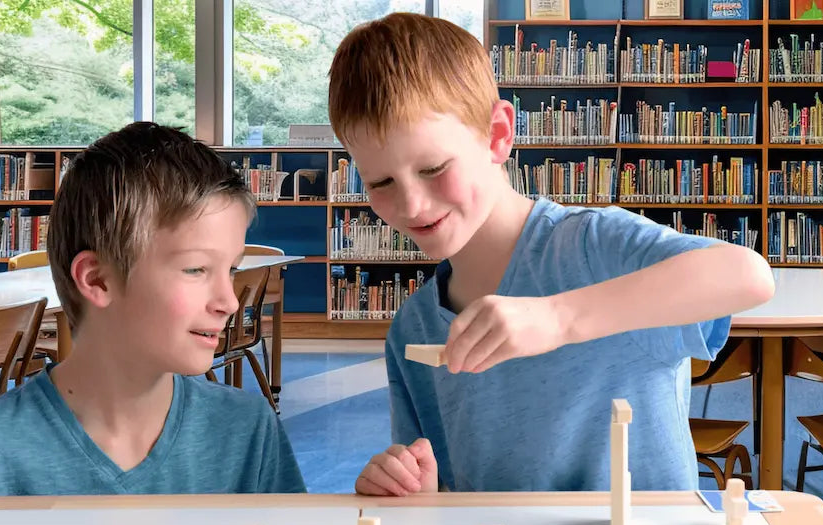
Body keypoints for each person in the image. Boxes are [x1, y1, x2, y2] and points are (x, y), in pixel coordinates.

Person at [327, 13, 775, 495]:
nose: (412, 204)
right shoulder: (412, 329)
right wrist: (412, 490)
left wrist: (559, 318)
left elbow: (747, 274)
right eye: (380, 182)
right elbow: (445, 493)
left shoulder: (592, 247)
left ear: (498, 135)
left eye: (434, 168)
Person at [0, 122, 306, 498]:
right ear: (98, 281)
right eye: (195, 269)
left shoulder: (249, 432)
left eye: (232, 269)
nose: (229, 302)